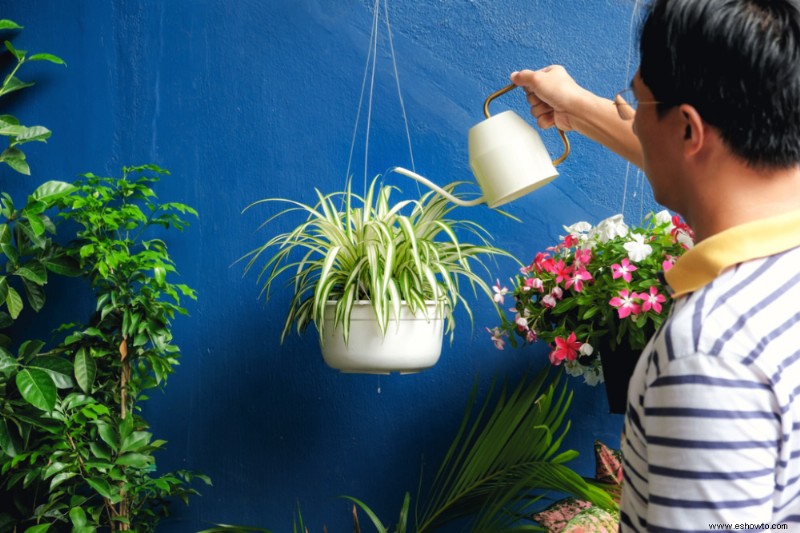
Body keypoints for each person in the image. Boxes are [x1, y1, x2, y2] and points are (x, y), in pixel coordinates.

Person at [511, 0, 800, 530]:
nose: (634, 118)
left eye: (640, 101)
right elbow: (709, 166)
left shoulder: (711, 352)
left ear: (689, 130)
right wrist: (576, 108)